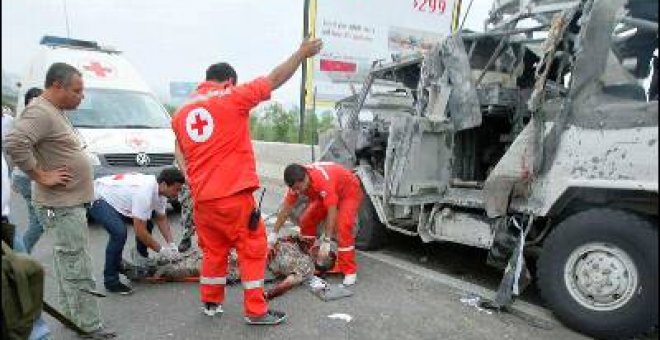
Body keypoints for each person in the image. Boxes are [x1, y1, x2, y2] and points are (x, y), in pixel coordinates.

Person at [171, 36, 322, 325]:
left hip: (202, 200)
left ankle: (211, 302)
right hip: (233, 197)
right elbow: (274, 78)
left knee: (213, 251)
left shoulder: (181, 113)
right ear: (229, 80)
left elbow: (178, 150)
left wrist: (193, 179)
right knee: (253, 250)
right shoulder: (232, 97)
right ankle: (256, 311)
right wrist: (301, 53)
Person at [4, 62, 116, 339]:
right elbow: (14, 143)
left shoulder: (54, 111)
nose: (82, 96)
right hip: (61, 204)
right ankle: (89, 326)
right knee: (77, 265)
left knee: (68, 263)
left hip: (67, 203)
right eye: (77, 91)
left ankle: (72, 317)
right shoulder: (40, 111)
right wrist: (39, 174)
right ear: (57, 86)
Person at [88, 168, 185, 294]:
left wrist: (172, 245)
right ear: (164, 184)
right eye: (176, 189)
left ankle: (141, 260)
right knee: (119, 233)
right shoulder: (144, 192)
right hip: (98, 197)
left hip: (118, 199)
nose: (177, 194)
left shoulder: (160, 192)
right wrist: (162, 251)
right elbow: (140, 231)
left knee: (147, 222)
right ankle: (111, 281)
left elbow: (161, 218)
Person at [271, 162, 364, 286]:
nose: (297, 192)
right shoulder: (296, 184)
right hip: (323, 195)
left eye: (299, 188)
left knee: (343, 227)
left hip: (348, 192)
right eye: (294, 189)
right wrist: (273, 233)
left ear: (305, 179)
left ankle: (349, 270)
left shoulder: (323, 181)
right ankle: (307, 256)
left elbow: (332, 212)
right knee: (306, 220)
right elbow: (286, 209)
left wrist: (326, 241)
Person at [11, 87, 46, 253]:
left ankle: (22, 255)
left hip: (26, 177)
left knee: (39, 219)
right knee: (39, 222)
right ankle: (22, 256)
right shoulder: (30, 123)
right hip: (28, 178)